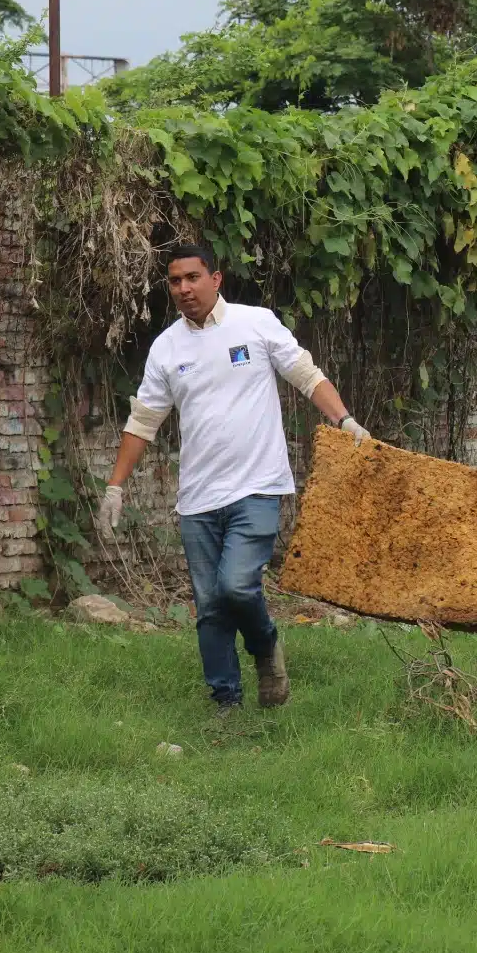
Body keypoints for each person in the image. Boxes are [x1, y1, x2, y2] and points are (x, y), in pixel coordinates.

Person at [95, 244, 370, 714]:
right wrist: (115, 486)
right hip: (197, 499)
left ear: (216, 278)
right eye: (175, 281)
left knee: (236, 587)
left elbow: (306, 375)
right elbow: (144, 421)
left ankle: (265, 649)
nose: (184, 288)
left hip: (258, 487)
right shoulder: (167, 347)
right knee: (210, 606)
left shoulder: (256, 323)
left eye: (193, 278)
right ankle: (226, 703)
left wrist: (344, 420)